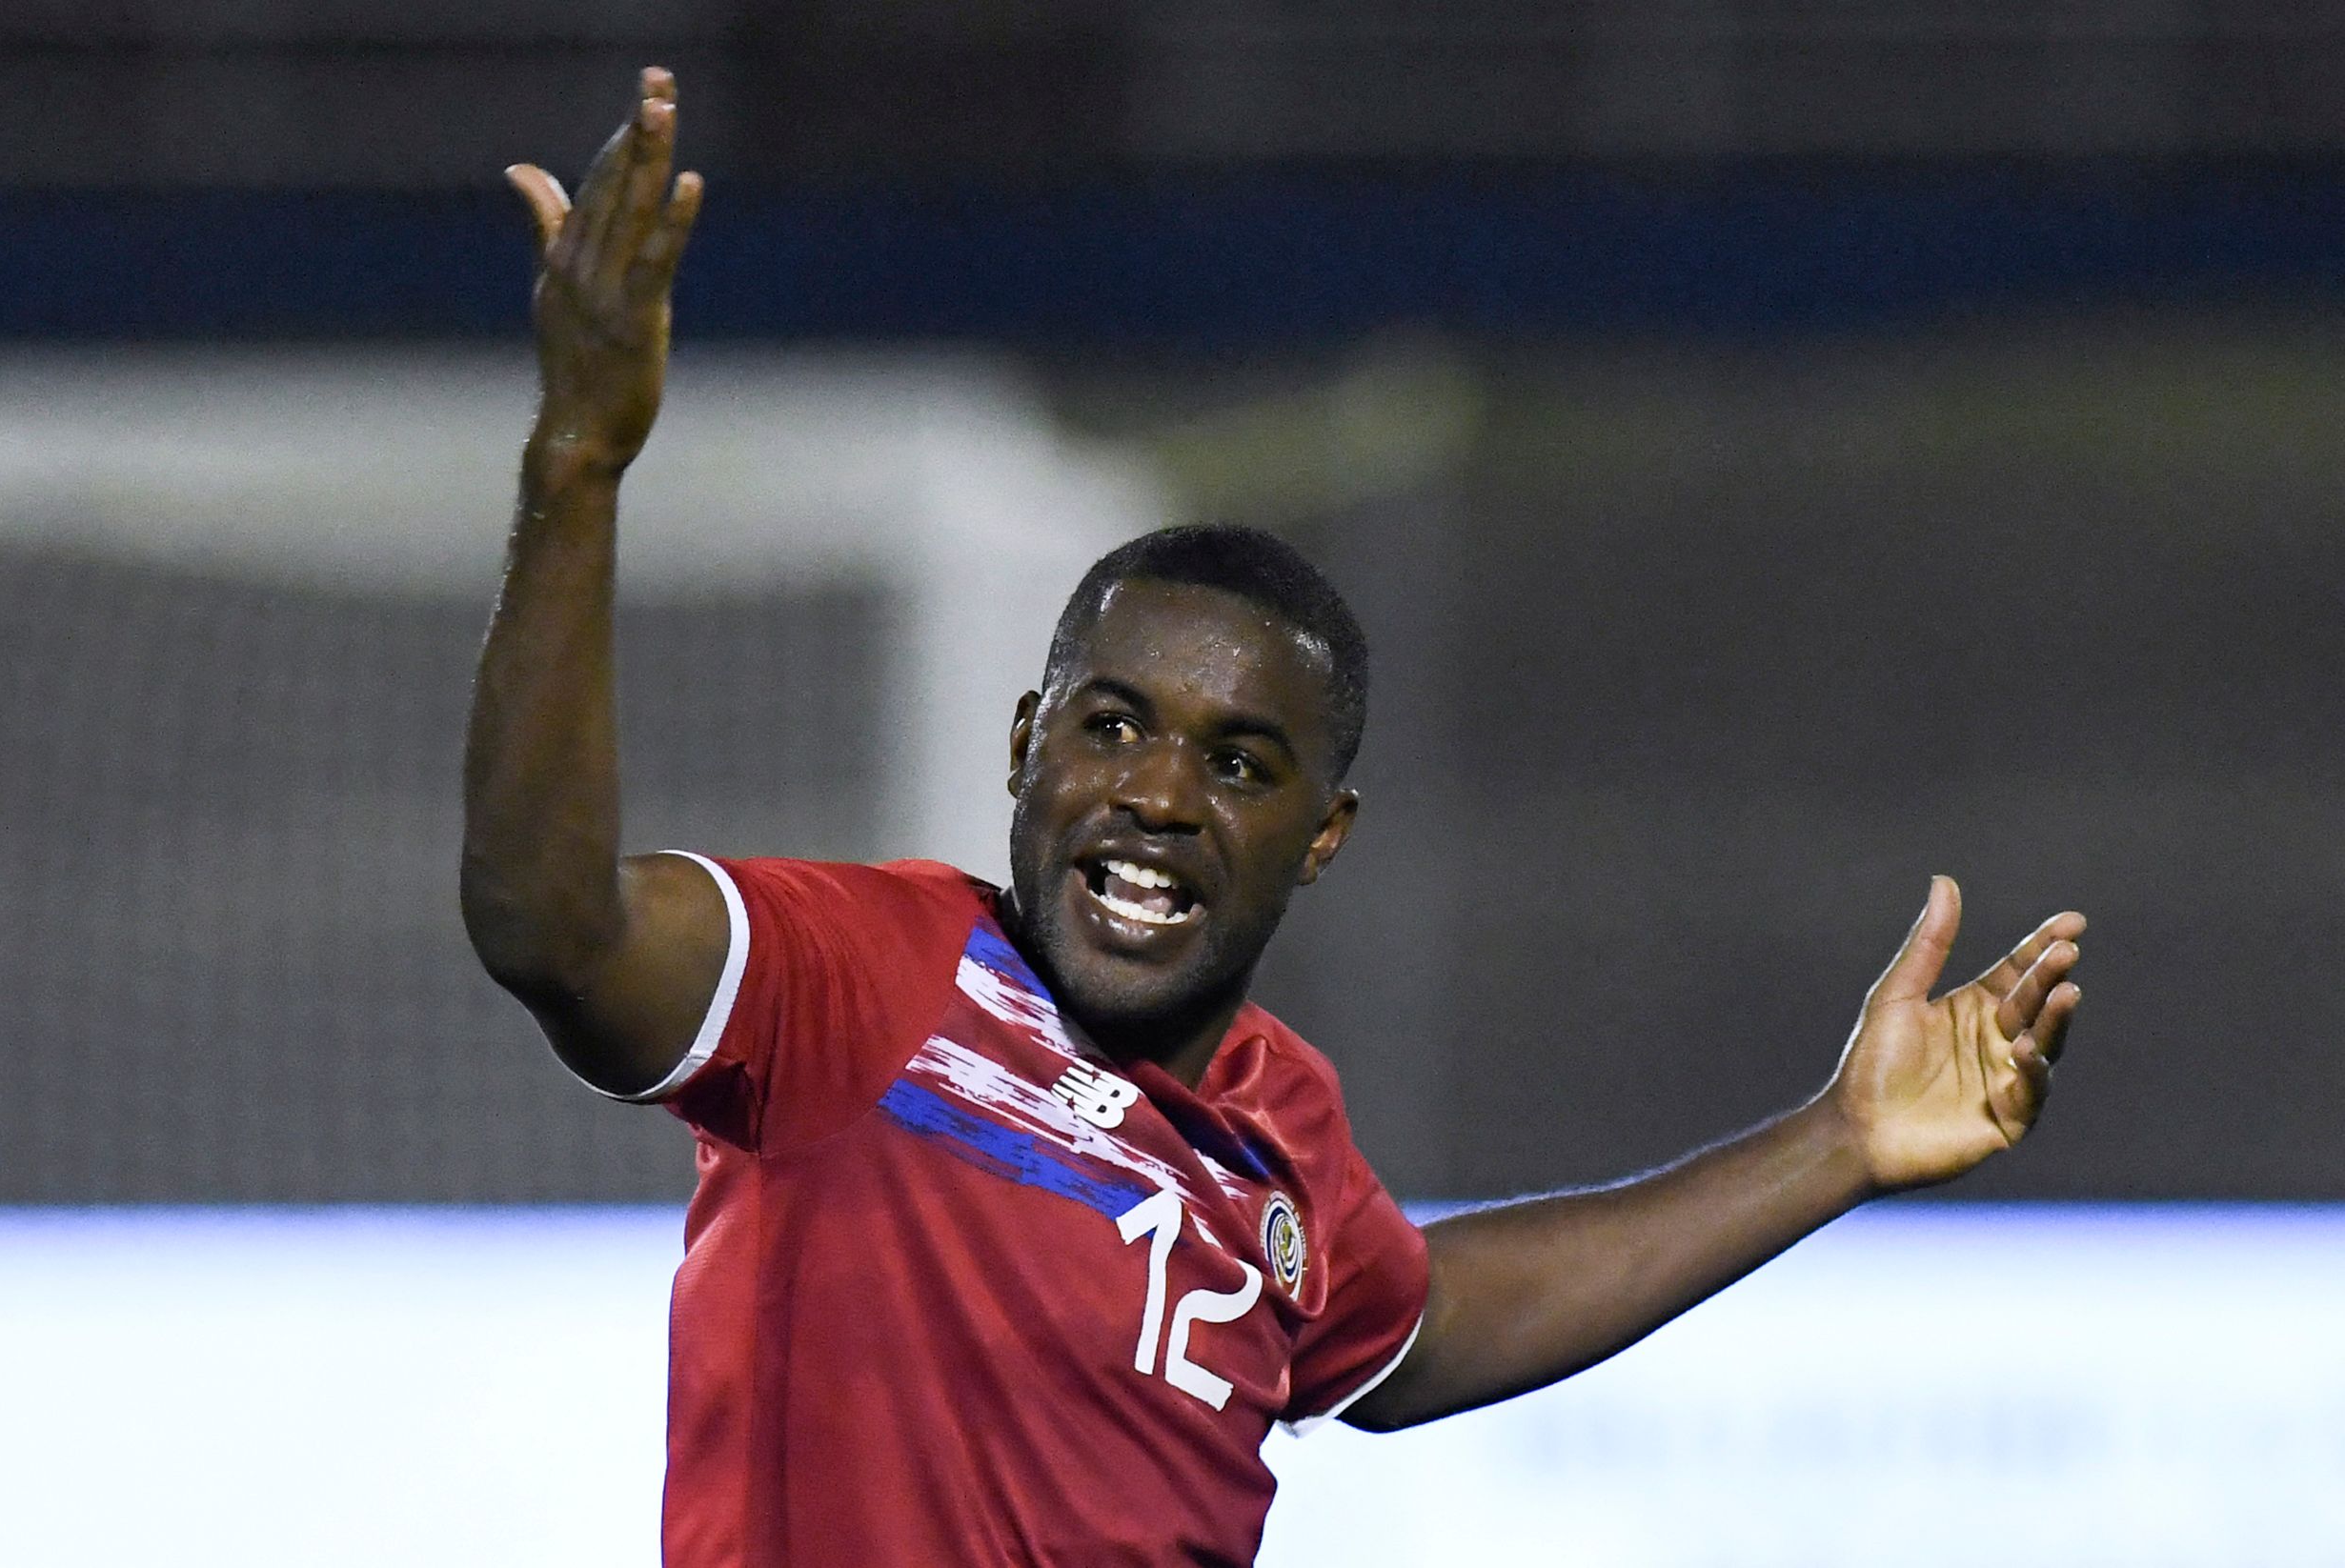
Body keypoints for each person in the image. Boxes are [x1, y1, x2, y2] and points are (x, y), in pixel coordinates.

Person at [461, 69, 2086, 1567]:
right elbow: (554, 924)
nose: (1160, 795)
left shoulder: (1277, 1120)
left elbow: (1421, 1330)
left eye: (1241, 764)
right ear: (1027, 745)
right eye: (1113, 729)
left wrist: (1838, 1142)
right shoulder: (867, 984)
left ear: (1325, 831)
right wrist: (581, 464)